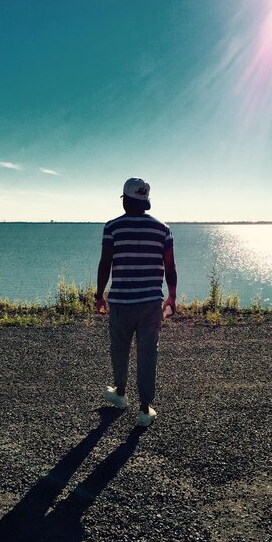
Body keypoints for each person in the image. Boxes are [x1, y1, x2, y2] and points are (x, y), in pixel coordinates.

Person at [96, 177, 177, 427]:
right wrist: (172, 296)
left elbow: (105, 263)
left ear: (125, 200)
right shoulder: (163, 229)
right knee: (147, 354)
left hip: (121, 302)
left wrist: (99, 294)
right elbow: (170, 266)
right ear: (145, 202)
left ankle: (120, 395)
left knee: (120, 349)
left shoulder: (112, 227)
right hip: (151, 304)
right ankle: (145, 410)